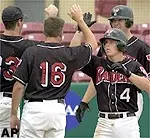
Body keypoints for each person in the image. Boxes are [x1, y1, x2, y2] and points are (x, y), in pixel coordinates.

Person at [10, 4, 98, 138]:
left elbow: (18, 86)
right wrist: (80, 23)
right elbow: (93, 43)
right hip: (57, 111)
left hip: (34, 109)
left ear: (44, 32)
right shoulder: (67, 54)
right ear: (62, 34)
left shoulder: (31, 52)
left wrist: (13, 114)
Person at [76, 28, 150, 138]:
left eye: (111, 42)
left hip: (127, 121)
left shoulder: (133, 65)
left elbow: (147, 86)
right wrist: (79, 31)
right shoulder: (98, 63)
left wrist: (128, 74)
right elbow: (75, 55)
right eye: (105, 43)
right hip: (104, 122)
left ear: (121, 45)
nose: (107, 46)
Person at [81, 5, 150, 120]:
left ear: (128, 22)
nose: (115, 23)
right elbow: (98, 77)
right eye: (113, 20)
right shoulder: (105, 47)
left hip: (131, 99)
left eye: (120, 20)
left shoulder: (141, 48)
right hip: (109, 96)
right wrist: (85, 101)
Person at [0, 4, 58, 137]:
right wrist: (52, 18)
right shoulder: (29, 47)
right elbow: (51, 47)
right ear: (19, 22)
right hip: (10, 103)